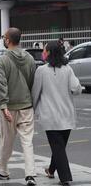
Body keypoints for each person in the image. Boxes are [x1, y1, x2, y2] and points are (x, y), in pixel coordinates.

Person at [32, 41, 82, 186]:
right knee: (59, 146)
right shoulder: (67, 69)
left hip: (50, 117)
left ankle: (65, 177)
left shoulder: (41, 71)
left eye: (44, 50)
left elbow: (36, 93)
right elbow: (76, 89)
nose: (43, 53)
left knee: (58, 146)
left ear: (49, 53)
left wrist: (32, 109)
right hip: (67, 115)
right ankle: (52, 170)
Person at [0, 27, 37, 186]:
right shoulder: (30, 58)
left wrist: (3, 106)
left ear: (8, 40)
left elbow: (2, 85)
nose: (4, 40)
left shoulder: (1, 60)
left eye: (4, 37)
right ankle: (30, 174)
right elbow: (32, 82)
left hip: (9, 106)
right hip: (26, 105)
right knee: (27, 141)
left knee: (7, 140)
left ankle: (3, 170)